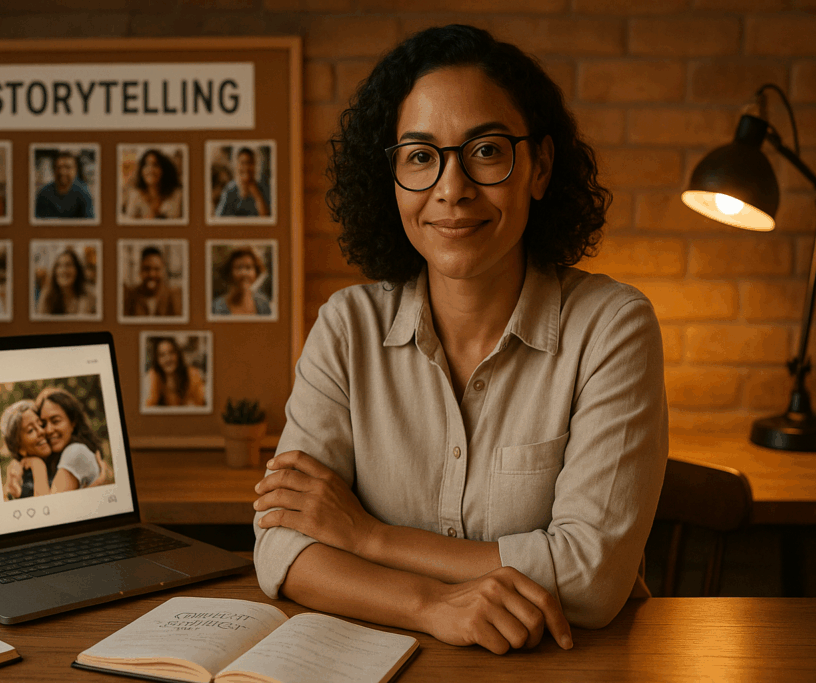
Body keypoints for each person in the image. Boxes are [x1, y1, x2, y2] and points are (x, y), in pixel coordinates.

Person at [251, 25, 668, 655]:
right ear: (390, 177)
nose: (452, 188)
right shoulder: (346, 326)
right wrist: (431, 605)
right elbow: (281, 546)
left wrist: (368, 539)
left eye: (486, 151)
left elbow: (590, 579)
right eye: (420, 156)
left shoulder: (612, 327)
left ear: (540, 166)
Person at [0, 398, 110, 501]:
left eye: (40, 424)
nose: (42, 431)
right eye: (31, 430)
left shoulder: (65, 458)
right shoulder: (25, 483)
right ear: (20, 448)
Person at [35, 387, 105, 493]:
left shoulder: (75, 452)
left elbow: (51, 507)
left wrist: (37, 465)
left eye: (56, 421)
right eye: (43, 424)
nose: (48, 430)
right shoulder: (59, 458)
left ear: (73, 422)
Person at [144, 337, 206, 408]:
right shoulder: (153, 376)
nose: (168, 359)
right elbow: (148, 406)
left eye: (171, 352)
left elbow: (201, 405)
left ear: (178, 355)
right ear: (157, 360)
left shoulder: (193, 374)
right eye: (162, 355)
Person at [122, 246, 183, 317]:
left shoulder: (174, 297)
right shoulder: (130, 298)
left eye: (156, 269)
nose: (151, 274)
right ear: (140, 270)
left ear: (163, 271)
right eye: (147, 268)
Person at [123, 149, 184, 219]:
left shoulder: (177, 195)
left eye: (155, 165)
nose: (150, 169)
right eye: (146, 165)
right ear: (141, 171)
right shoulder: (135, 196)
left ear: (163, 169)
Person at [211, 247, 271, 316]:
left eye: (248, 267)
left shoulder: (263, 303)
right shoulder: (216, 308)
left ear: (256, 272)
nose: (244, 273)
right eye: (238, 268)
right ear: (229, 272)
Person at [34, 151, 94, 219]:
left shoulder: (83, 192)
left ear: (75, 170)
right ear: (53, 170)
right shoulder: (44, 193)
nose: (62, 172)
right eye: (58, 167)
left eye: (67, 167)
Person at [37, 248, 97, 316]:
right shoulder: (46, 295)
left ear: (77, 270)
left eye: (68, 265)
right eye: (59, 266)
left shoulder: (89, 295)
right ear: (55, 271)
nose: (63, 270)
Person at [214, 147, 270, 217]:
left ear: (255, 165)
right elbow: (219, 217)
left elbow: (267, 217)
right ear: (237, 166)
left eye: (250, 163)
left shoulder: (263, 187)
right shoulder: (230, 190)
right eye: (242, 163)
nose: (246, 167)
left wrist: (256, 193)